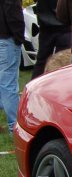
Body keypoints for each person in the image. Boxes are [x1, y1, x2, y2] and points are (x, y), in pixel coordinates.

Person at [31, 0, 71, 79]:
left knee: (41, 60)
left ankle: (34, 85)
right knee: (62, 62)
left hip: (45, 24)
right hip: (64, 26)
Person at [0, 0, 22, 135]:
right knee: (8, 85)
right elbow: (13, 13)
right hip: (7, 38)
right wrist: (19, 36)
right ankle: (14, 127)